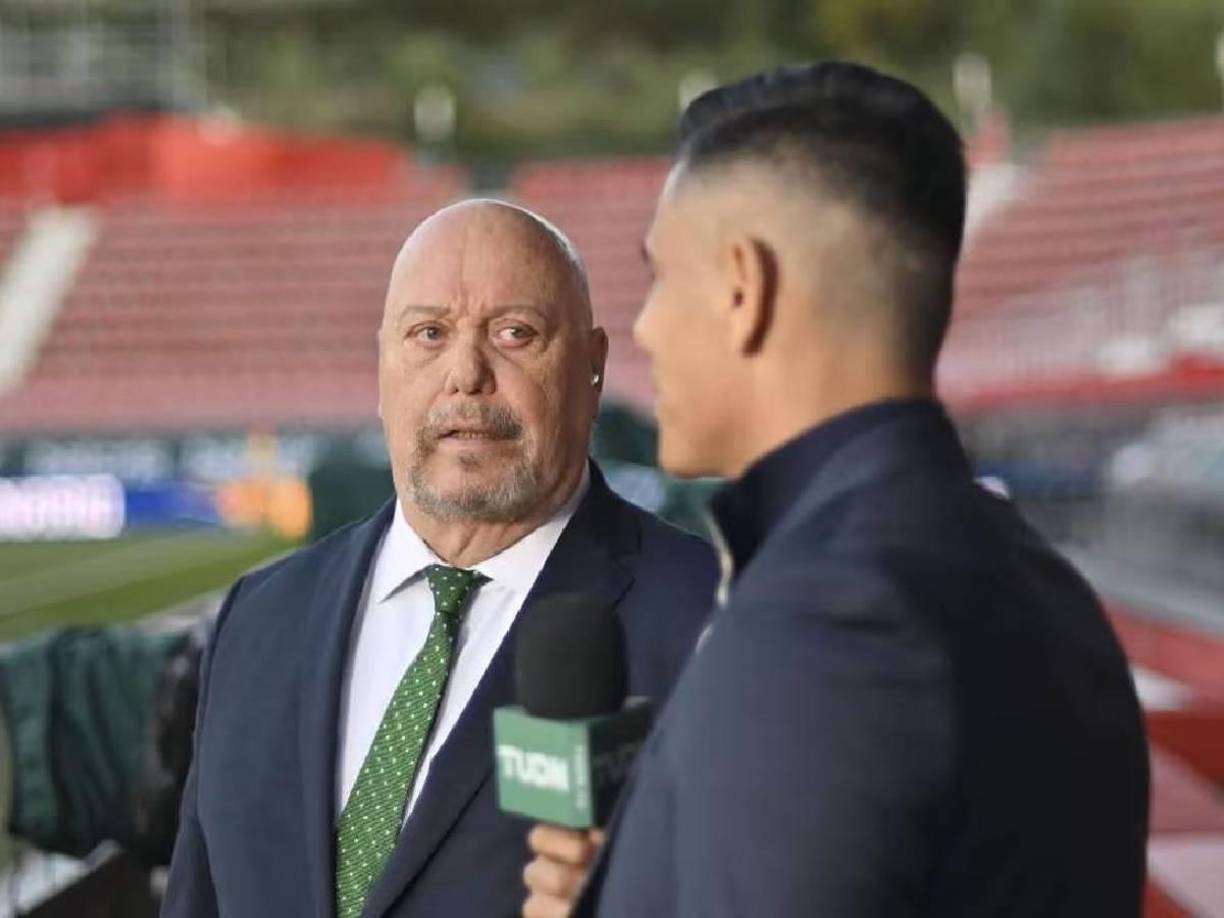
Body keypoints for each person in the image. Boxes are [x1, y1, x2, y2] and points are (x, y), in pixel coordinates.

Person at [523, 62, 1149, 917]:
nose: (643, 327)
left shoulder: (823, 622)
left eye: (662, 276)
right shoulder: (1050, 588)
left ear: (745, 288)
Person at [162, 200, 717, 917]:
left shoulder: (716, 623)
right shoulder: (259, 617)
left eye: (515, 333)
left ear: (593, 367)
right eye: (428, 333)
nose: (466, 373)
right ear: (382, 367)